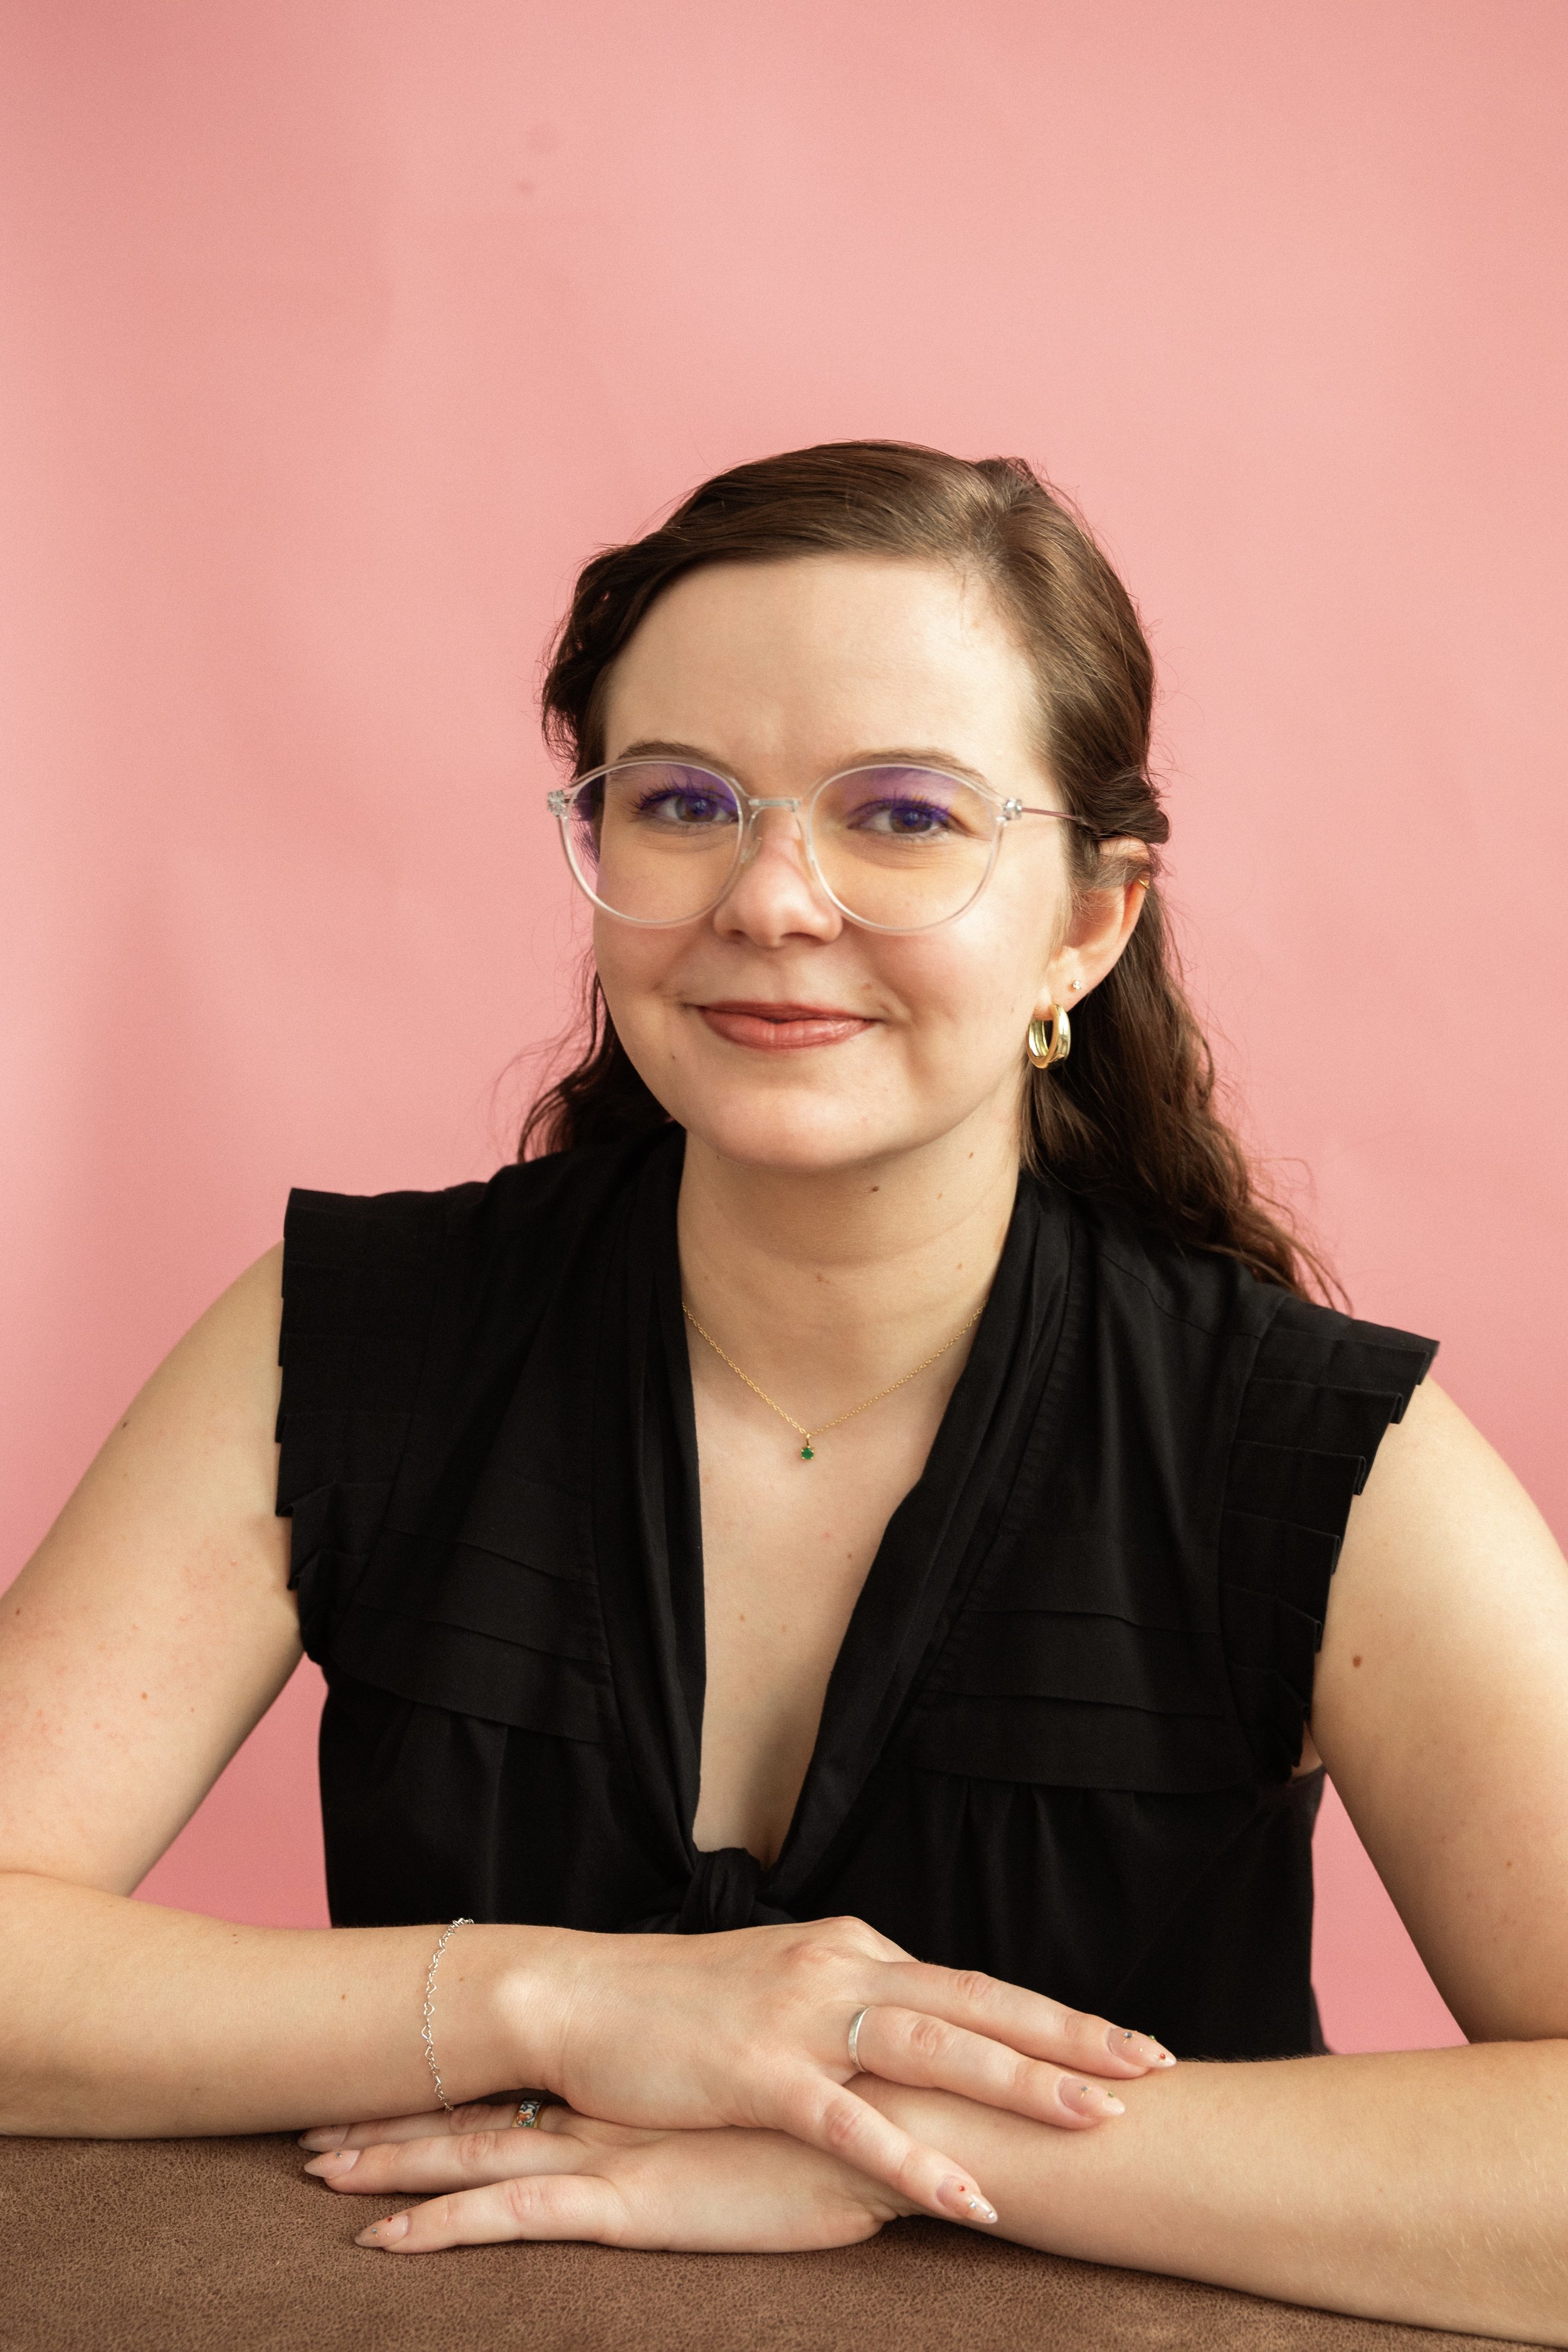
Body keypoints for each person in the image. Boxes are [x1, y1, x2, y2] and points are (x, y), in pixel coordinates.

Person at [3, 442, 1565, 2339]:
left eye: (900, 815)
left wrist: (871, 2142)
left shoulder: (1316, 1459)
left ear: (1089, 917)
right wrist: (560, 2000)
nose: (769, 896)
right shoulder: (355, 1336)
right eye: (679, 802)